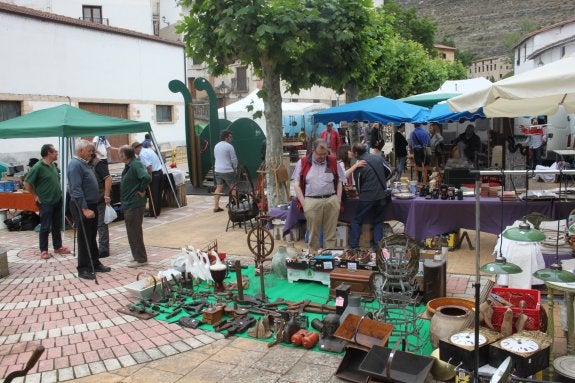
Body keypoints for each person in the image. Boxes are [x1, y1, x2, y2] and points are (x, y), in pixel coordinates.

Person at [293, 138, 346, 254]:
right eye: (320, 154)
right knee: (313, 234)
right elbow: (296, 185)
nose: (323, 156)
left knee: (331, 234)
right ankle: (314, 257)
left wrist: (337, 200)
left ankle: (330, 258)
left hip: (331, 200)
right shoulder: (302, 163)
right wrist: (304, 204)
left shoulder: (332, 161)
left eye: (325, 153)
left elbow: (339, 182)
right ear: (313, 150)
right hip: (311, 201)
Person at [67, 140, 111, 279]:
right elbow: (76, 188)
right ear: (81, 151)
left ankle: (94, 262)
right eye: (89, 150)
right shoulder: (75, 165)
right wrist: (85, 209)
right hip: (83, 206)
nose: (91, 152)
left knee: (91, 236)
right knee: (85, 237)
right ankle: (83, 268)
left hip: (92, 204)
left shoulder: (83, 163)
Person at [23, 144, 71, 260]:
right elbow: (26, 183)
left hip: (57, 200)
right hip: (45, 201)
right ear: (48, 153)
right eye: (54, 151)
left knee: (56, 225)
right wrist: (36, 195)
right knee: (45, 226)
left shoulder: (53, 165)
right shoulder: (38, 167)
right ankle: (43, 250)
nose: (57, 153)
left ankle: (57, 246)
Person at [349, 143, 392, 250]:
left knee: (357, 220)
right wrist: (383, 180)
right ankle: (377, 246)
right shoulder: (378, 158)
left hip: (366, 197)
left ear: (356, 153)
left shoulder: (359, 164)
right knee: (378, 221)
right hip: (381, 195)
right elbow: (390, 171)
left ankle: (354, 246)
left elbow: (358, 183)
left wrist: (361, 192)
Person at [118, 145, 152, 267]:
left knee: (135, 231)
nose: (118, 155)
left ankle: (141, 259)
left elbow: (147, 177)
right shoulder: (129, 165)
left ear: (125, 155)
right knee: (132, 231)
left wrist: (141, 189)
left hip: (134, 203)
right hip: (129, 203)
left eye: (120, 153)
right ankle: (136, 255)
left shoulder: (135, 164)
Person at [88, 150, 112, 258]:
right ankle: (94, 247)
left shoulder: (98, 163)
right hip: (91, 198)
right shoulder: (87, 163)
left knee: (101, 224)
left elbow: (108, 178)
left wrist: (106, 196)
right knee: (94, 224)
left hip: (100, 198)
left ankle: (103, 249)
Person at [132, 141, 163, 217]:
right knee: (158, 193)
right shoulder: (148, 150)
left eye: (134, 151)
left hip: (154, 174)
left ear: (136, 149)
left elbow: (149, 167)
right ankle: (157, 211)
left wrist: (149, 178)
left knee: (153, 194)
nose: (134, 153)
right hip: (159, 172)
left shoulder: (142, 154)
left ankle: (153, 212)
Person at [213, 130, 238, 213]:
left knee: (218, 188)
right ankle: (237, 206)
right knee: (233, 187)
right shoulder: (229, 146)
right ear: (226, 137)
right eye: (230, 137)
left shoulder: (216, 146)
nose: (232, 138)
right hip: (227, 170)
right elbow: (234, 159)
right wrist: (235, 168)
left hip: (217, 170)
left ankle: (216, 207)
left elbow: (216, 157)